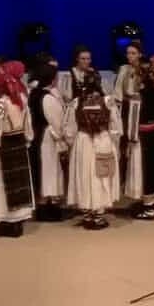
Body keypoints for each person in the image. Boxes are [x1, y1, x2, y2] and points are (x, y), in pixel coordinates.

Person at [64, 69, 121, 229]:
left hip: (83, 141)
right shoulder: (108, 101)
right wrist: (115, 143)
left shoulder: (76, 102)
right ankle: (98, 213)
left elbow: (69, 129)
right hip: (103, 139)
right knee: (101, 175)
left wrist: (71, 144)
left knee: (84, 174)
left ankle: (87, 212)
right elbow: (115, 126)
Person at [0, 70, 35, 236]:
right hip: (19, 145)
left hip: (4, 147)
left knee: (1, 184)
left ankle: (8, 222)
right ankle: (17, 221)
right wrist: (27, 140)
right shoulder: (21, 101)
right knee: (20, 182)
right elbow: (28, 125)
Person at [124, 62, 154, 220]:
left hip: (142, 137)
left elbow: (133, 121)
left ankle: (149, 204)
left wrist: (130, 140)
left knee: (143, 169)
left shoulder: (137, 97)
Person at [28, 63, 68, 220]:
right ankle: (47, 207)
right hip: (47, 139)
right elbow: (58, 122)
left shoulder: (33, 94)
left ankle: (43, 205)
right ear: (52, 79)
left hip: (36, 137)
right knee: (49, 172)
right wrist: (63, 137)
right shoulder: (48, 98)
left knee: (42, 171)